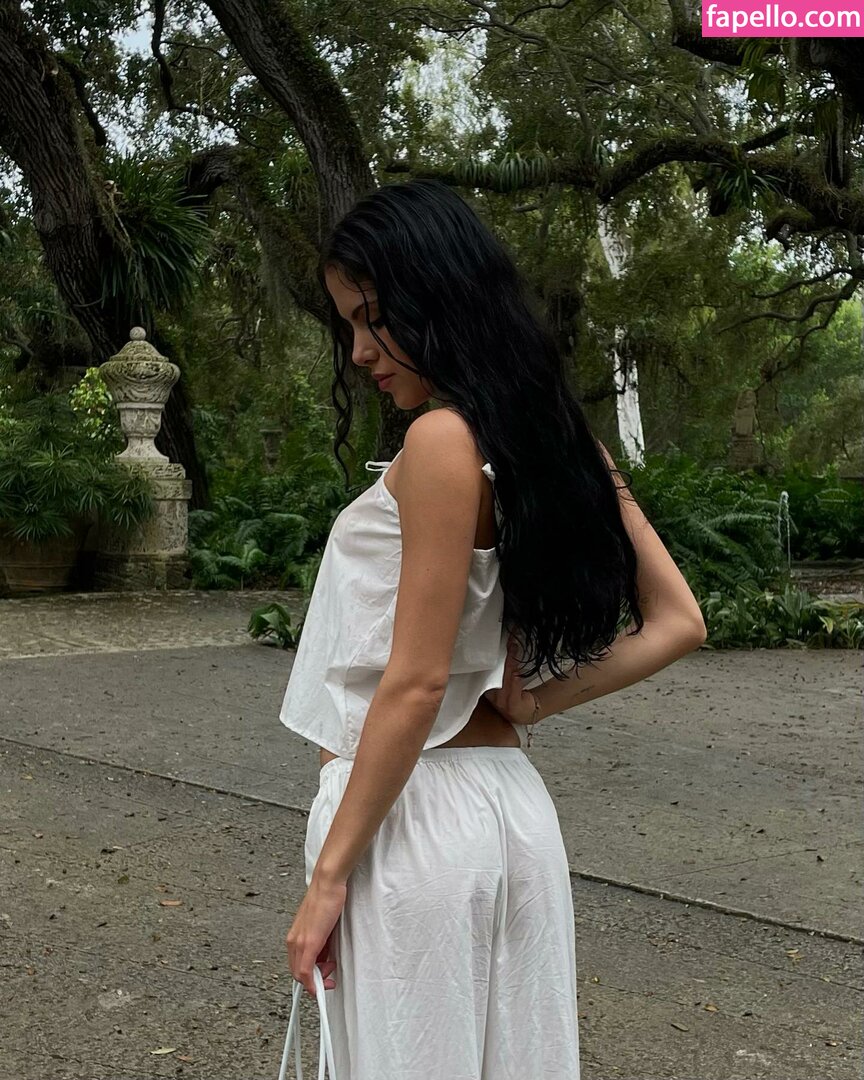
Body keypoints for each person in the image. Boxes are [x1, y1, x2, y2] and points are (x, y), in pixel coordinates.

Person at [280, 179, 707, 1079]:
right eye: (348, 326)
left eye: (371, 317)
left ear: (436, 294)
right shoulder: (557, 445)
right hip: (512, 812)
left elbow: (417, 682)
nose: (359, 352)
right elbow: (680, 620)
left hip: (410, 819)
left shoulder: (440, 441)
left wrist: (328, 877)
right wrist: (533, 704)